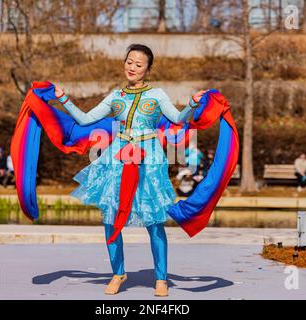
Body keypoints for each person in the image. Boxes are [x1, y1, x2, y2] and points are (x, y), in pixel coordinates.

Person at [54, 44, 207, 297]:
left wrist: (192, 103)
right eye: (129, 61)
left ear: (148, 69)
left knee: (154, 220)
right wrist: (62, 98)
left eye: (138, 64)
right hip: (118, 158)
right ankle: (118, 273)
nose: (132, 67)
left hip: (149, 159)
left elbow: (178, 119)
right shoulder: (115, 97)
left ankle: (161, 278)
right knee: (111, 218)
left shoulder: (157, 94)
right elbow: (84, 118)